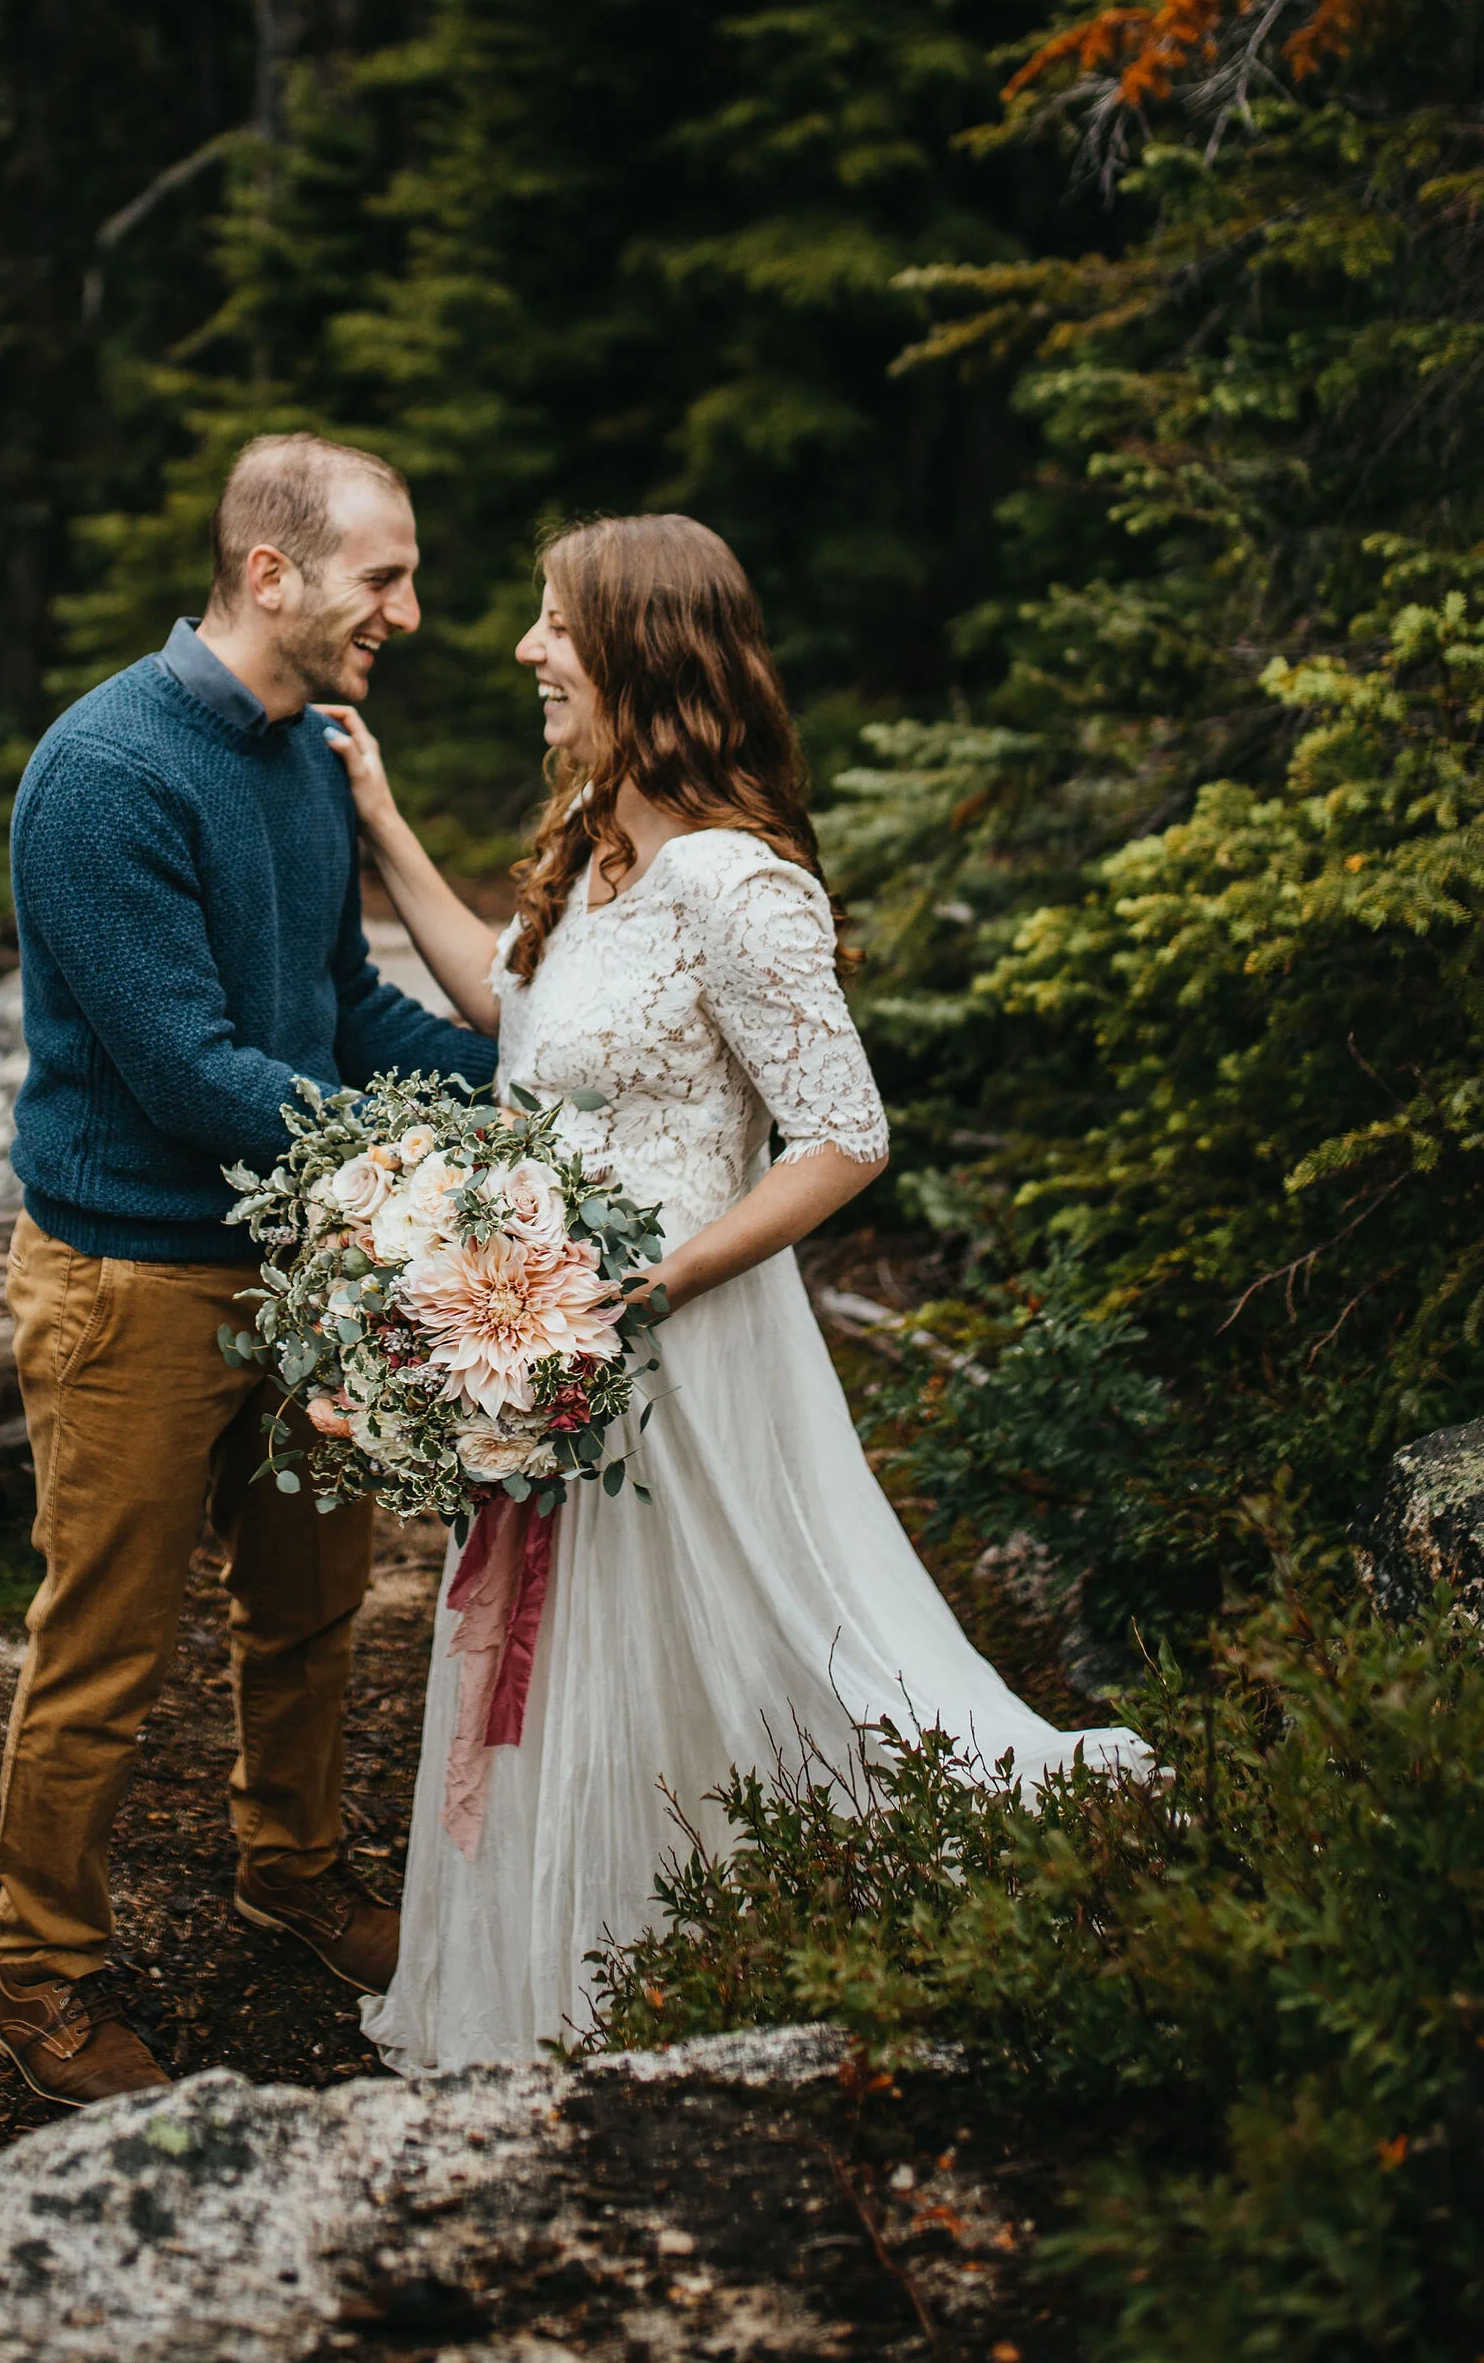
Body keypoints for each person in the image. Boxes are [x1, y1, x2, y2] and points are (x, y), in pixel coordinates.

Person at [317, 512, 1149, 2072]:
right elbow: (506, 1003)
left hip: (686, 1343)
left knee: (748, 1635)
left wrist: (657, 1277)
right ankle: (604, 1971)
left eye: (553, 622)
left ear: (639, 648)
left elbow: (847, 1138)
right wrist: (379, 820)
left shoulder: (734, 885)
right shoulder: (592, 853)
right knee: (586, 1669)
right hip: (560, 1350)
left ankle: (780, 1934)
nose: (525, 650)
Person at [0, 433, 499, 2105]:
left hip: (300, 1271)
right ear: (270, 575)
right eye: (387, 577)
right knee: (107, 1654)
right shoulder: (104, 774)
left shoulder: (298, 752)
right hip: (134, 1281)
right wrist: (427, 1162)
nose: (412, 612)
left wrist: (518, 1085)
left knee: (313, 1609)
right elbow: (193, 1069)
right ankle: (38, 1976)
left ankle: (292, 1871)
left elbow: (338, 1002)